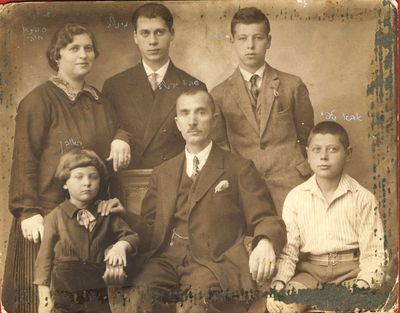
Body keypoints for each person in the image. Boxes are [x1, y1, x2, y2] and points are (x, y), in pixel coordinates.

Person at [114, 88, 286, 313]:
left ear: (214, 120)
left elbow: (265, 217)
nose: (192, 121)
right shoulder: (163, 172)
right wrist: (121, 222)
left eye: (200, 112)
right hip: (166, 261)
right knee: (138, 299)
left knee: (198, 304)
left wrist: (265, 242)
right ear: (177, 122)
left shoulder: (239, 168)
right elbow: (148, 227)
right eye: (185, 114)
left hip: (215, 263)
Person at [2, 24, 128, 313]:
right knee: (38, 303)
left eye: (88, 48)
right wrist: (27, 210)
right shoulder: (38, 100)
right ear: (56, 55)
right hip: (44, 216)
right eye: (74, 48)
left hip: (87, 222)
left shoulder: (100, 102)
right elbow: (24, 159)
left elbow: (115, 136)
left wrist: (122, 136)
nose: (83, 55)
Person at [266, 121, 386, 313]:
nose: (323, 157)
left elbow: (373, 254)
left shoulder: (363, 198)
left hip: (350, 274)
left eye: (332, 149)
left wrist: (362, 286)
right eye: (316, 150)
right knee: (286, 307)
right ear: (307, 154)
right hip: (310, 274)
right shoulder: (296, 197)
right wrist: (279, 283)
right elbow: (289, 252)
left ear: (348, 153)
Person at [211, 7, 314, 216]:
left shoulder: (292, 85)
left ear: (268, 41)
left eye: (257, 38)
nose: (250, 46)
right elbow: (221, 145)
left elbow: (308, 138)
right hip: (246, 188)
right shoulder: (219, 94)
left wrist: (300, 173)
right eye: (242, 39)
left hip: (292, 184)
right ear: (232, 41)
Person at [102, 2, 207, 170]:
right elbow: (105, 137)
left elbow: (201, 145)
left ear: (171, 34)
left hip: (175, 181)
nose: (152, 41)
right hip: (128, 182)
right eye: (145, 33)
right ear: (135, 36)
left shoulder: (193, 87)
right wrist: (120, 137)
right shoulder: (114, 86)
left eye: (159, 32)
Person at [34, 149, 139, 313]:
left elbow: (132, 236)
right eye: (79, 177)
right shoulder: (55, 217)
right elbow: (44, 259)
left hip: (97, 296)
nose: (87, 183)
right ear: (64, 183)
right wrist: (44, 294)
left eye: (93, 177)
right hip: (64, 296)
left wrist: (121, 245)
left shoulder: (105, 213)